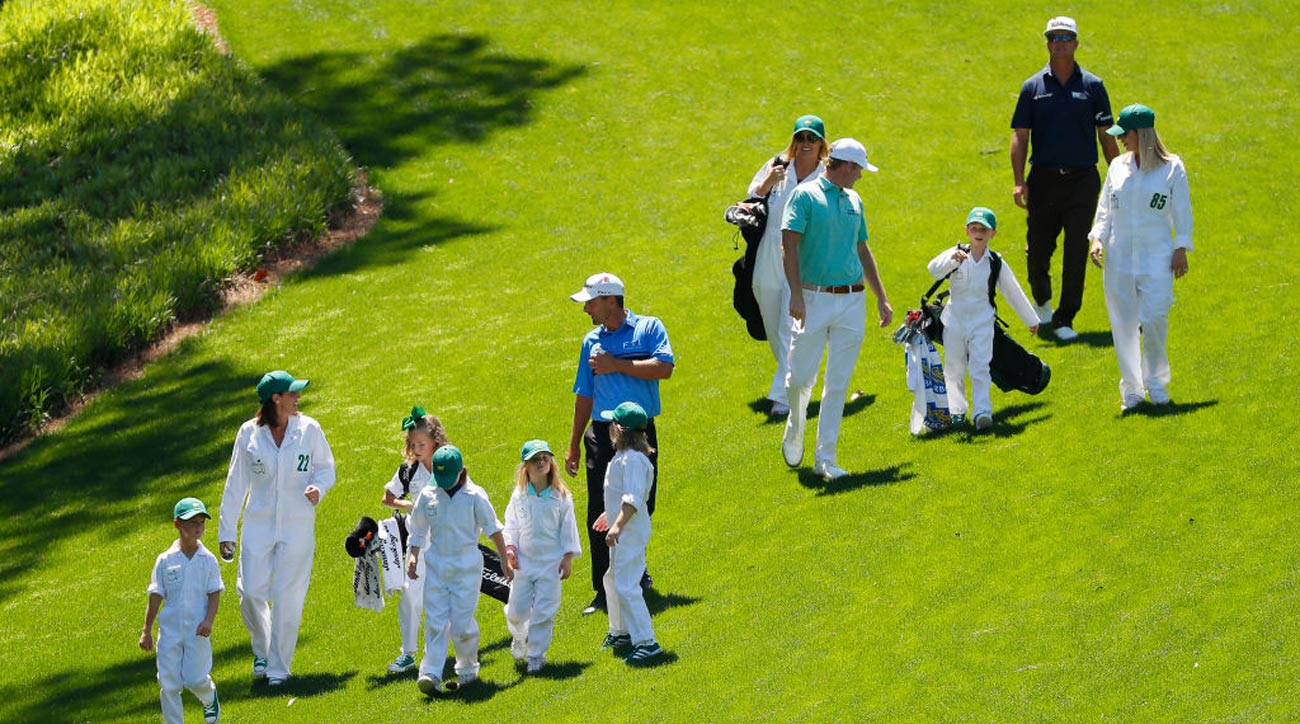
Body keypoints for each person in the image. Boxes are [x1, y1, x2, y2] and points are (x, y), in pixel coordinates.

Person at [781, 138, 892, 480]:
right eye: (859, 170)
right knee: (800, 378)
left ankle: (825, 458)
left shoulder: (855, 201)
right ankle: (795, 427)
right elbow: (789, 245)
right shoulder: (805, 196)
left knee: (838, 383)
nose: (860, 177)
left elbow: (862, 249)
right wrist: (796, 295)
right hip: (813, 299)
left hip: (852, 301)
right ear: (846, 166)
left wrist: (881, 297)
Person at [565, 272, 674, 615]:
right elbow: (584, 394)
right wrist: (573, 445)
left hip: (639, 433)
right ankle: (604, 590)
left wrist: (617, 365)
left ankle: (635, 571)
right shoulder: (590, 342)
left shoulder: (649, 328)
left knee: (641, 503)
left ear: (611, 300)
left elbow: (664, 367)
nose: (587, 310)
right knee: (599, 509)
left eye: (591, 302)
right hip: (600, 433)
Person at [218, 370, 336, 686]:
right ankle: (263, 649)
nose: (298, 397)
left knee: (288, 596)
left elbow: (326, 469)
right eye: (292, 393)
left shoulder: (309, 429)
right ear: (276, 399)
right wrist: (226, 532)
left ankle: (278, 668)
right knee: (250, 592)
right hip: (258, 525)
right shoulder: (248, 434)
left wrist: (318, 489)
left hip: (297, 527)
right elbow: (235, 484)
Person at [1010, 15, 1119, 341]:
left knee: (1076, 252)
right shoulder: (1033, 87)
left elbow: (1106, 136)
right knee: (1039, 250)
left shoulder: (1093, 87)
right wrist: (1019, 180)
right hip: (1043, 179)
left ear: (1075, 43)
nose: (1060, 42)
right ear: (1047, 43)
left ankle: (1065, 318)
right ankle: (1042, 300)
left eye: (1066, 37)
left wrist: (1120, 179)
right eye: (1054, 37)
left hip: (1082, 181)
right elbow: (1020, 136)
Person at [1088, 103, 1193, 410]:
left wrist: (1181, 249)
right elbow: (1105, 209)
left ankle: (1157, 383)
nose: (1121, 140)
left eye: (1126, 134)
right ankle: (1132, 390)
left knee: (1155, 316)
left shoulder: (1172, 168)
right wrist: (1097, 239)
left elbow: (1182, 212)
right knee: (1123, 325)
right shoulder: (1117, 167)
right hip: (1119, 259)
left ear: (1143, 134)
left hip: (1157, 258)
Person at [405, 445, 512, 696]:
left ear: (461, 472)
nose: (443, 484)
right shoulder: (428, 494)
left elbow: (494, 530)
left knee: (462, 625)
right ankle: (430, 672)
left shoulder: (474, 496)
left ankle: (467, 669)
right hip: (437, 567)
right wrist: (413, 554)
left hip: (466, 570)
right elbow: (418, 527)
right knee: (435, 621)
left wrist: (505, 561)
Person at [926, 207, 1040, 430]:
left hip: (982, 323)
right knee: (954, 367)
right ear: (967, 231)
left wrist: (1031, 319)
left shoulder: (995, 261)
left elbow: (1012, 290)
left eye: (984, 230)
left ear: (992, 234)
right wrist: (951, 260)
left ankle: (982, 412)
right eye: (974, 228)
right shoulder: (956, 253)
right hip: (954, 321)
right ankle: (957, 411)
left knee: (980, 367)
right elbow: (932, 269)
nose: (978, 233)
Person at [747, 114, 829, 416]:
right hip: (768, 253)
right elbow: (750, 198)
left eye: (812, 138)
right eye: (801, 138)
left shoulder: (826, 176)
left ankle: (785, 399)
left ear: (822, 144)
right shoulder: (778, 165)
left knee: (789, 326)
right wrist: (770, 181)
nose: (806, 144)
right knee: (772, 323)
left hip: (802, 256)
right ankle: (795, 382)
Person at [378, 406, 451, 674]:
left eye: (422, 444)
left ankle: (439, 650)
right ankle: (408, 653)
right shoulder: (408, 470)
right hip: (416, 542)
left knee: (442, 597)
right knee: (410, 596)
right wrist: (405, 504)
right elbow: (387, 498)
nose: (417, 449)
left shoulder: (448, 464)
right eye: (413, 444)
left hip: (444, 540)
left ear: (436, 440)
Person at [140, 497, 224, 724]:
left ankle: (209, 698)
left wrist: (209, 621)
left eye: (201, 522)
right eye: (192, 522)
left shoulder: (208, 560)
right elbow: (156, 595)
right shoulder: (165, 560)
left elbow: (214, 592)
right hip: (170, 631)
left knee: (195, 679)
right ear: (177, 524)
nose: (198, 528)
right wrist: (146, 629)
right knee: (169, 684)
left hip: (198, 629)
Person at [503, 440, 582, 674]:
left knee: (544, 611)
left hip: (551, 564)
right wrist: (510, 549)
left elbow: (569, 529)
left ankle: (536, 655)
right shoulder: (519, 496)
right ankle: (519, 635)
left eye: (545, 458)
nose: (541, 463)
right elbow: (512, 525)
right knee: (517, 611)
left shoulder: (561, 497)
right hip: (524, 564)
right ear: (525, 466)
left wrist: (567, 557)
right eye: (536, 459)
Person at [593, 402, 664, 664]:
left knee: (626, 584)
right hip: (624, 528)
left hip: (630, 532)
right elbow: (622, 495)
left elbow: (633, 499)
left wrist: (618, 525)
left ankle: (647, 641)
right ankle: (620, 631)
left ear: (619, 429)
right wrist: (609, 516)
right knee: (612, 580)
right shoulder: (624, 457)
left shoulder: (634, 461)